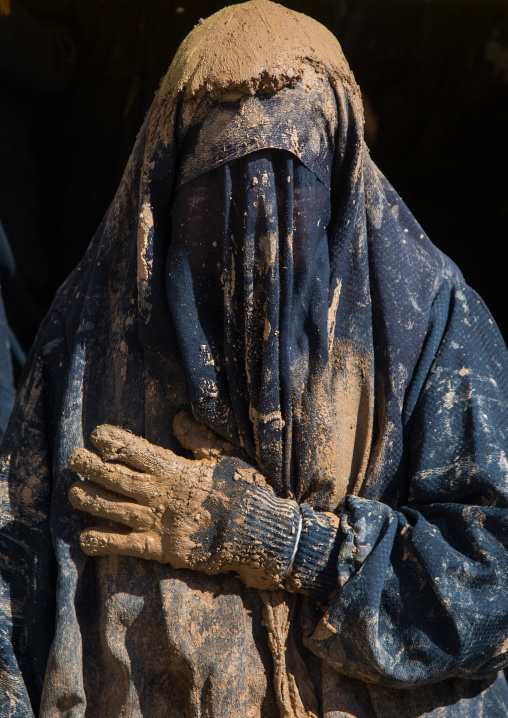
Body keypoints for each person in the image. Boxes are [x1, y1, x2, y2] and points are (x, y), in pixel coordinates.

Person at [2, 1, 508, 716]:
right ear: (165, 192)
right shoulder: (86, 346)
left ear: (341, 185)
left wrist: (282, 541)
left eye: (290, 195)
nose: (256, 253)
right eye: (217, 198)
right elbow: (10, 595)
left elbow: (490, 588)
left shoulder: (434, 325)